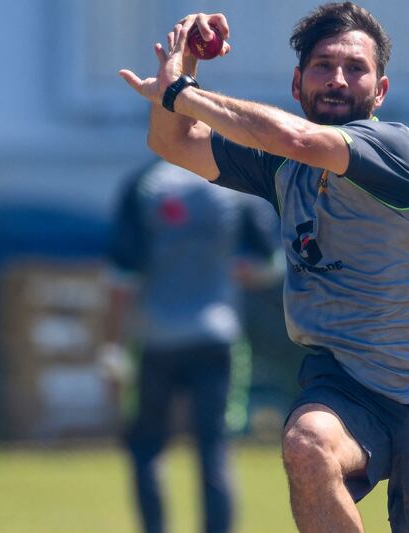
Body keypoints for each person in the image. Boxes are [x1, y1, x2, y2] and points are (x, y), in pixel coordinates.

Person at [118, 2, 409, 531]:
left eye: (356, 68)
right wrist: (185, 67)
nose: (338, 79)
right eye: (323, 66)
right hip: (349, 382)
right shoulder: (283, 167)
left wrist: (178, 92)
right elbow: (171, 142)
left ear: (381, 91)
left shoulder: (394, 149)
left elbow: (296, 138)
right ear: (297, 83)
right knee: (307, 445)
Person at [106, 158, 281, 533]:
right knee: (214, 448)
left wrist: (113, 347)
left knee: (147, 447)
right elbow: (270, 264)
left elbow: (123, 277)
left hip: (155, 339)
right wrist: (224, 273)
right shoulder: (236, 185)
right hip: (217, 334)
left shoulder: (142, 183)